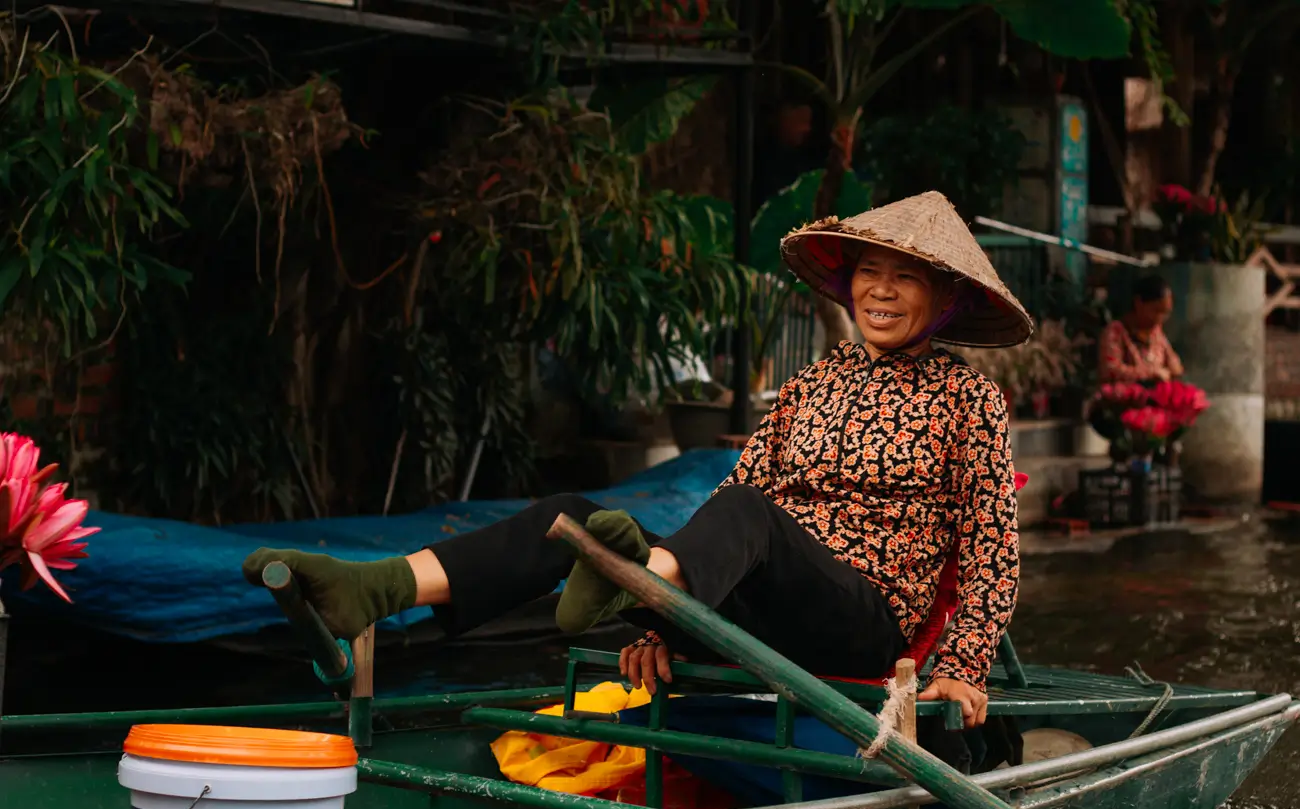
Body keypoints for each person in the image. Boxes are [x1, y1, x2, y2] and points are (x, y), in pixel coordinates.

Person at [241, 192, 1033, 729]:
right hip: (754, 603)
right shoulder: (813, 381)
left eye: (905, 278)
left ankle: (642, 580)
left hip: (860, 624)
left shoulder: (969, 401)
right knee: (571, 516)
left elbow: (993, 550)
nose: (882, 292)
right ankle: (374, 587)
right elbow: (735, 492)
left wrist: (965, 667)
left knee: (746, 519)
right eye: (871, 272)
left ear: (946, 299)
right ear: (848, 282)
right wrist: (674, 626)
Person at [1099, 274, 1183, 384]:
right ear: (1138, 303)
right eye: (1156, 311)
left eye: (1166, 313)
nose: (1160, 319)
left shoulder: (1156, 332)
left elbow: (1172, 361)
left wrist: (1174, 366)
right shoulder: (1115, 331)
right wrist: (1151, 374)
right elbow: (1110, 371)